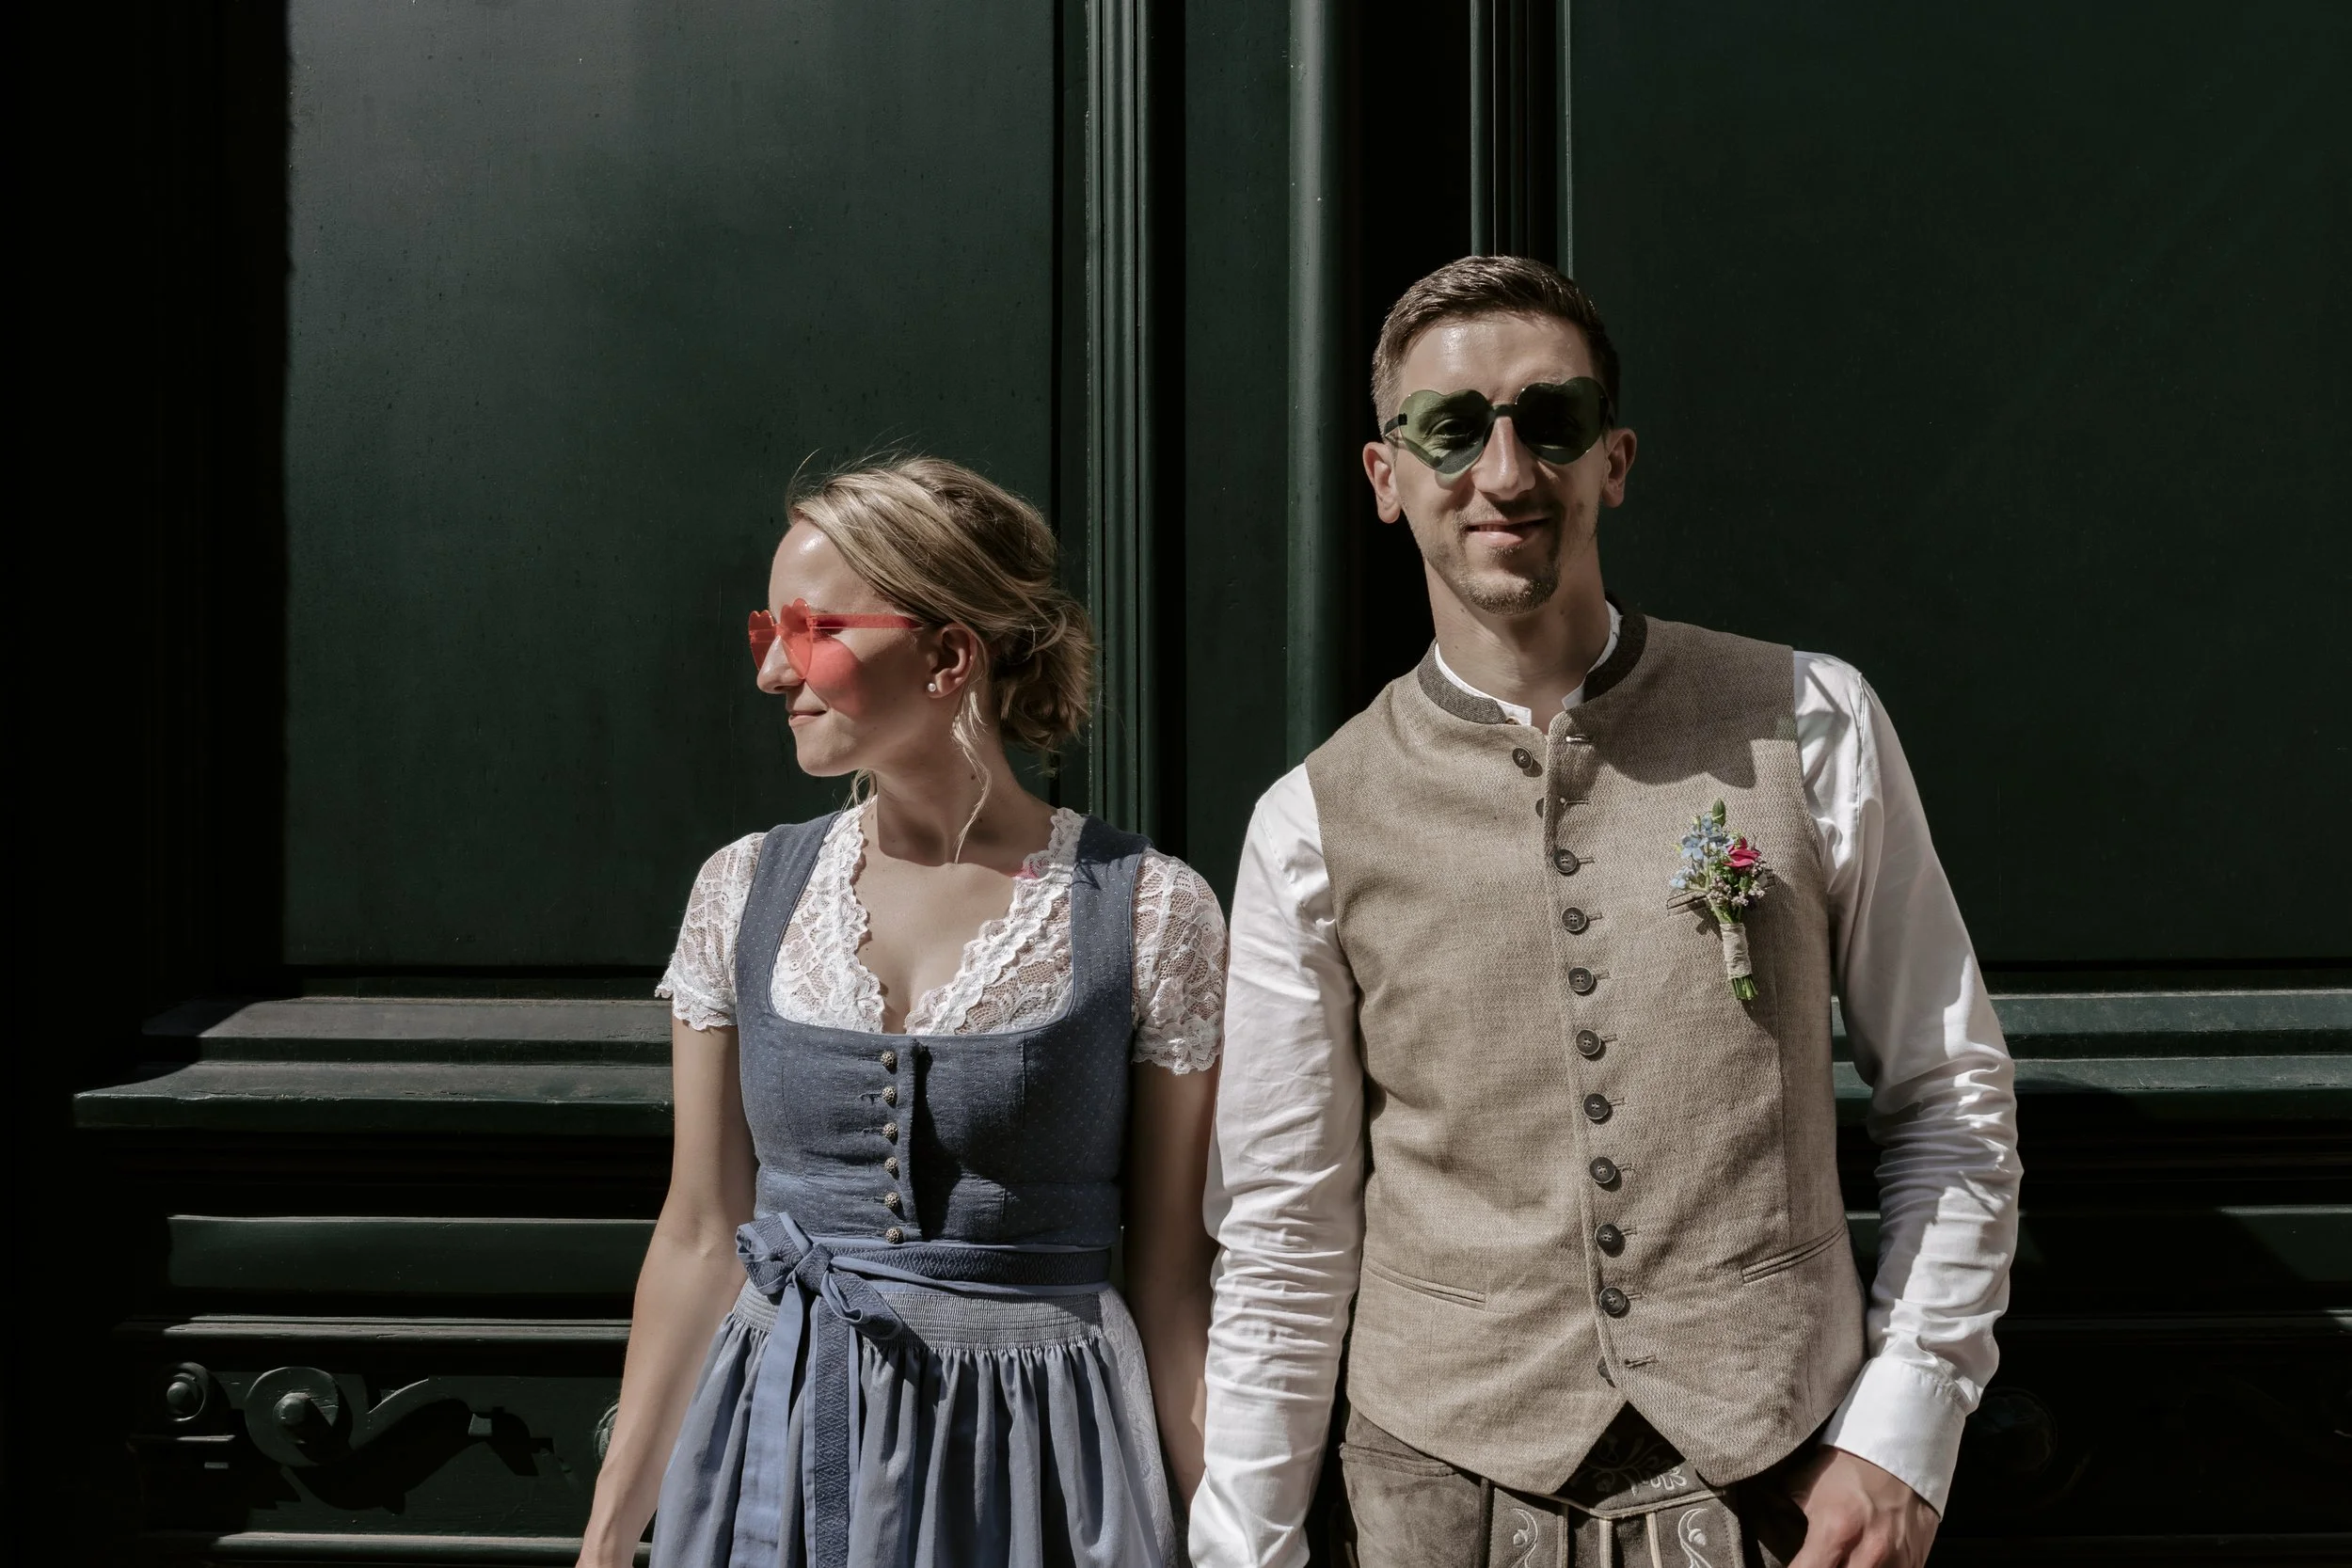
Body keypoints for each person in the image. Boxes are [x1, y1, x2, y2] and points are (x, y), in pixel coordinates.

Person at [1190, 258, 2022, 1568]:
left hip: (1779, 1488)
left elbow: (1948, 1095)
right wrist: (1248, 1548)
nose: (1504, 470)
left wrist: (1905, 1428)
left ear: (1613, 459)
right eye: (1450, 428)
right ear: (1385, 475)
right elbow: (1285, 1233)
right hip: (1434, 1503)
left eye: (1551, 419)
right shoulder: (1310, 818)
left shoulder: (1810, 720)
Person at [577, 457, 1225, 1568]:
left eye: (812, 628)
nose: (773, 669)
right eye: (766, 630)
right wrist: (603, 1541)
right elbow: (698, 1231)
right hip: (781, 1427)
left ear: (947, 655)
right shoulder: (744, 888)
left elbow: (1171, 1279)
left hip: (1037, 1457)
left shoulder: (1148, 909)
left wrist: (1232, 1532)